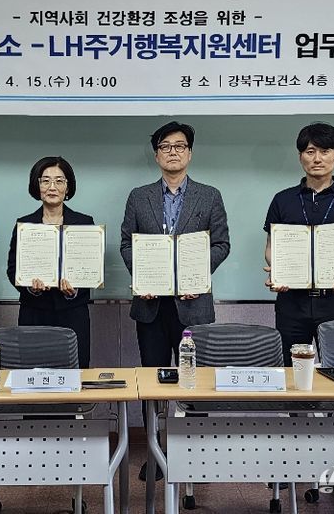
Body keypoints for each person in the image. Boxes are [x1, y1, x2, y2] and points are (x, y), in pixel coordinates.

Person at [120, 121, 230, 480]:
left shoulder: (209, 195)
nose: (173, 152)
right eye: (165, 146)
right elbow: (127, 244)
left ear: (189, 153)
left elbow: (221, 244)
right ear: (156, 155)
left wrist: (194, 274)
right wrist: (144, 277)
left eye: (180, 146)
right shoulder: (139, 197)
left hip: (193, 304)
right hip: (150, 306)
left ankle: (195, 455)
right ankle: (155, 453)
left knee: (195, 382)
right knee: (153, 382)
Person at [263, 122, 334, 366]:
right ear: (300, 156)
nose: (317, 158)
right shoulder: (282, 199)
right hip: (291, 303)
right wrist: (278, 270)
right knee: (291, 370)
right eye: (310, 151)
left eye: (325, 151)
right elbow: (272, 247)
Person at [6, 157, 94, 369]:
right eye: (45, 181)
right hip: (34, 313)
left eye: (59, 181)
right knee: (33, 374)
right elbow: (12, 269)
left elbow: (91, 269)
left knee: (74, 374)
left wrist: (75, 290)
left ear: (68, 187)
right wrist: (31, 288)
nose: (52, 187)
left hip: (73, 313)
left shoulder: (84, 223)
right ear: (37, 186)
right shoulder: (24, 225)